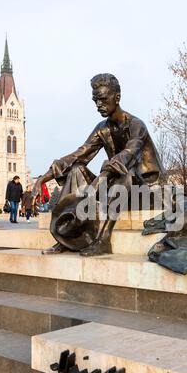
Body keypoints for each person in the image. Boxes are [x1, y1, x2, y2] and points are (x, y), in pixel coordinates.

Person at [33, 73, 163, 255]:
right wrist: (42, 179)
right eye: (95, 101)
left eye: (102, 100)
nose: (98, 105)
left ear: (117, 98)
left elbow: (129, 153)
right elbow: (80, 154)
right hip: (113, 189)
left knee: (125, 173)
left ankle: (103, 239)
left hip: (142, 190)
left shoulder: (136, 125)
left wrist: (105, 173)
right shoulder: (102, 128)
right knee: (77, 169)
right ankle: (67, 236)